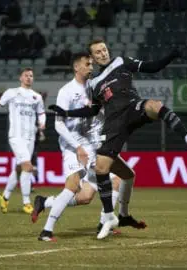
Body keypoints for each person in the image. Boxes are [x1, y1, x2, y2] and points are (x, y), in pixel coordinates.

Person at [49, 39, 187, 239]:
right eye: (98, 52)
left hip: (133, 108)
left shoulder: (122, 61)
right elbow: (93, 110)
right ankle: (111, 217)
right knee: (102, 169)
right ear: (93, 57)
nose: (103, 53)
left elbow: (152, 67)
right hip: (113, 124)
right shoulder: (94, 83)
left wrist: (172, 54)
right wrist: (67, 112)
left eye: (104, 49)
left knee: (155, 105)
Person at [35, 52, 133, 241]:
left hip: (94, 145)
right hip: (73, 146)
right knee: (72, 185)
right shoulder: (66, 91)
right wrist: (77, 147)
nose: (91, 67)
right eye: (87, 64)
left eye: (91, 64)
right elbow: (58, 124)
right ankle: (46, 231)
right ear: (76, 67)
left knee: (93, 193)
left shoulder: (96, 87)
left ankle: (101, 222)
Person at [0, 67, 46, 214]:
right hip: (16, 136)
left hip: (30, 137)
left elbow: (42, 113)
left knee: (20, 168)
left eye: (31, 76)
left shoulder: (36, 97)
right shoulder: (11, 93)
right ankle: (26, 202)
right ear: (20, 78)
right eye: (26, 75)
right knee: (27, 166)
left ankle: (5, 196)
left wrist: (42, 123)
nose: (29, 78)